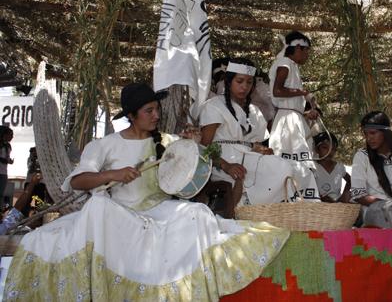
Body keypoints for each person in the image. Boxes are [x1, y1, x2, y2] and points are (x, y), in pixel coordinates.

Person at [3, 83, 289, 301]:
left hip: (159, 210)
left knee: (196, 213)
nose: (156, 115)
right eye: (149, 111)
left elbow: (196, 165)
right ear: (131, 116)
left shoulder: (166, 141)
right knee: (98, 207)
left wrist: (193, 145)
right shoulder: (105, 146)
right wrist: (112, 174)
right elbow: (78, 181)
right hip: (122, 213)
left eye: (157, 109)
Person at [200, 58, 309, 215]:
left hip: (249, 159)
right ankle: (250, 210)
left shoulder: (255, 111)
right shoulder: (213, 105)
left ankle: (280, 212)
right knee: (282, 168)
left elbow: (255, 144)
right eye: (240, 81)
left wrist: (263, 150)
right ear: (229, 81)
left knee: (299, 169)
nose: (244, 86)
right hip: (223, 161)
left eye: (249, 82)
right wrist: (226, 166)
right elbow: (204, 147)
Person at [268, 31, 320, 201]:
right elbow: (278, 90)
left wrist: (305, 113)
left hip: (292, 119)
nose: (307, 55)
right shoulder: (285, 63)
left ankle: (299, 200)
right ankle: (289, 199)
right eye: (306, 51)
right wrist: (302, 92)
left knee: (298, 164)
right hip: (287, 123)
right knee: (292, 164)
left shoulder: (292, 65)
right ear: (298, 47)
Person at [313, 132, 351, 203]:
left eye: (333, 149)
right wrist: (319, 196)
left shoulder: (339, 167)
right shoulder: (313, 167)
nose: (329, 152)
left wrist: (343, 195)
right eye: (325, 147)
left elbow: (350, 180)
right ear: (317, 149)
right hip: (318, 203)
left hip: (337, 203)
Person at [0, 126, 14, 210]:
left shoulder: (8, 146)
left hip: (3, 172)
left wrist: (9, 161)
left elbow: (6, 158)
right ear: (4, 134)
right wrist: (4, 160)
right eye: (10, 135)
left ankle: (1, 210)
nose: (12, 137)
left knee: (1, 193)